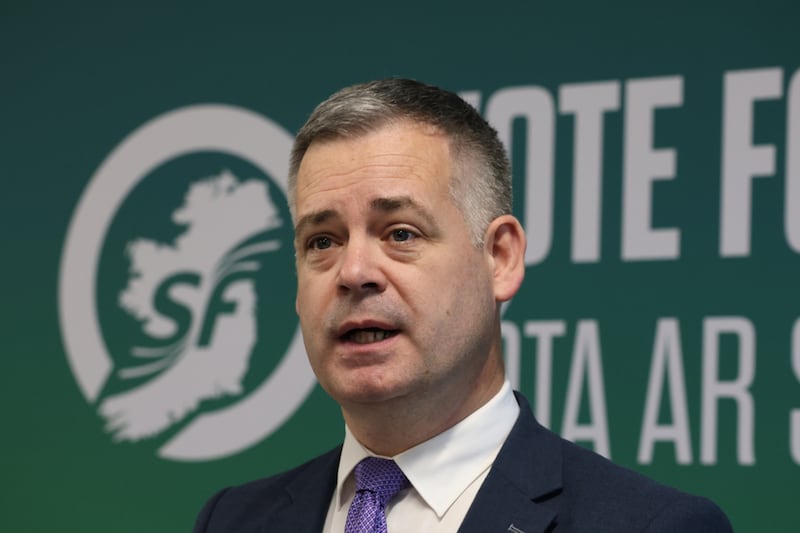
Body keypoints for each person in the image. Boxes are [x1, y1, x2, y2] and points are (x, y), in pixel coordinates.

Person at [194, 78, 733, 532]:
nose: (354, 272)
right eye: (323, 241)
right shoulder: (232, 518)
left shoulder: (652, 525)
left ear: (499, 258)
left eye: (400, 233)